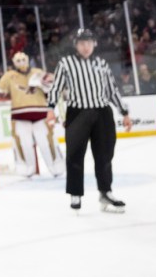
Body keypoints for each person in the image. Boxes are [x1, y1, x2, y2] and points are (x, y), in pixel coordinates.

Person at [46, 29, 133, 213]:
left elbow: (111, 90)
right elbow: (56, 88)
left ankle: (105, 192)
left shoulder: (102, 63)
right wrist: (50, 109)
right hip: (77, 113)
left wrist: (124, 112)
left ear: (94, 44)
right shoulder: (66, 63)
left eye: (89, 43)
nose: (86, 47)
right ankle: (75, 194)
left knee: (105, 155)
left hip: (102, 113)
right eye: (82, 43)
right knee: (75, 155)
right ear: (76, 45)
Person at [0, 51, 64, 178]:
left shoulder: (38, 72)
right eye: (18, 61)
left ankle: (56, 166)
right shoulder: (9, 76)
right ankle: (26, 168)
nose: (21, 63)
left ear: (28, 59)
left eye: (23, 59)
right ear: (14, 62)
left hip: (41, 113)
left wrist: (45, 83)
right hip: (20, 115)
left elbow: (53, 87)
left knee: (46, 141)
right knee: (23, 143)